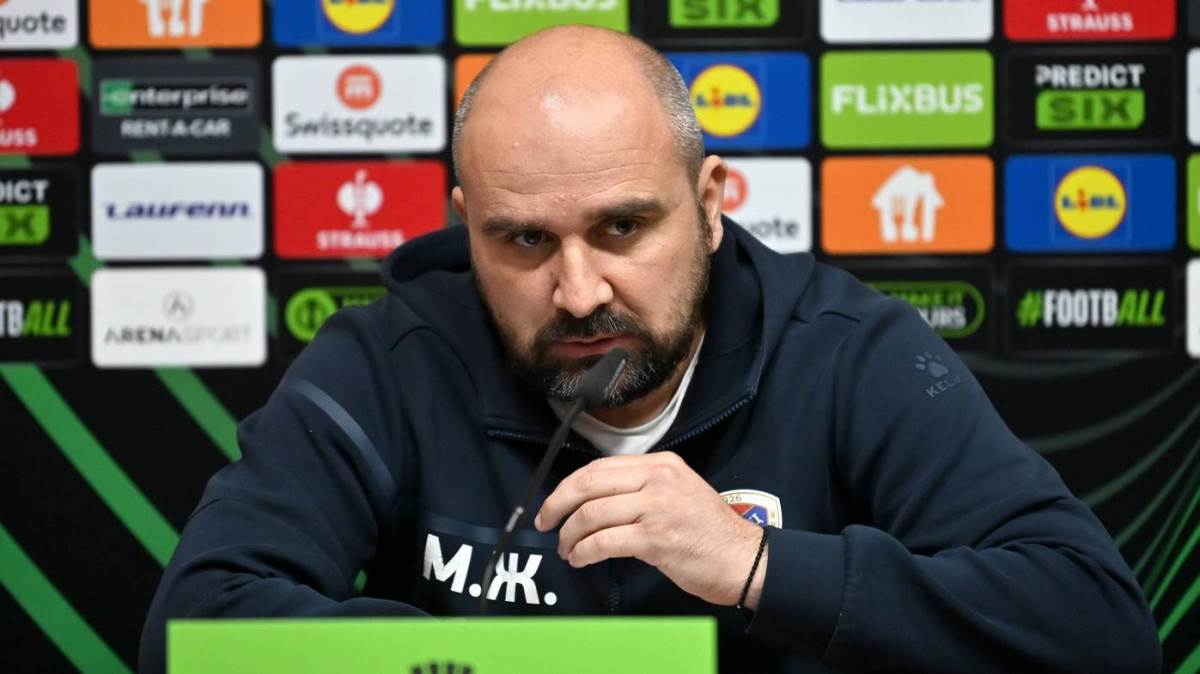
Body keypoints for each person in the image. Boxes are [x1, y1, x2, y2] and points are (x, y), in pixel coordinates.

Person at [140, 26, 1161, 673]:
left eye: (622, 227)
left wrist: (757, 564)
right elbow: (195, 627)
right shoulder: (390, 359)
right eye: (523, 240)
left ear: (710, 205)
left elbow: (1099, 630)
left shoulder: (848, 352)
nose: (579, 290)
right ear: (467, 226)